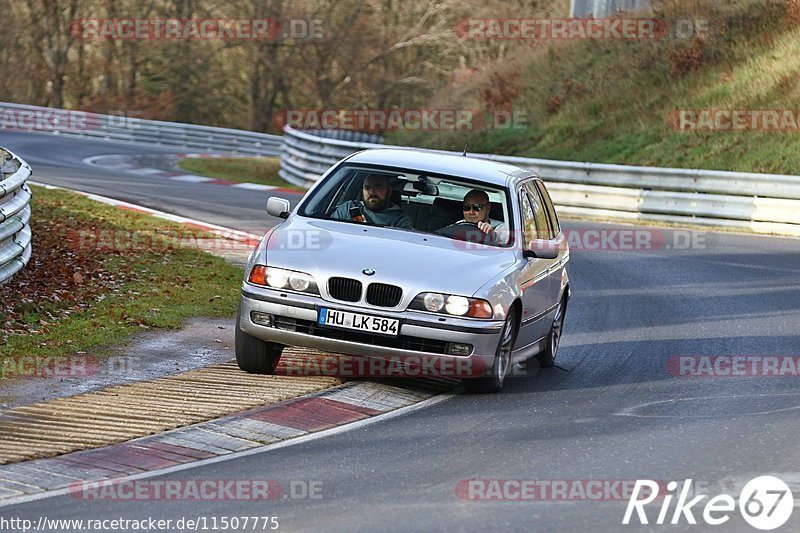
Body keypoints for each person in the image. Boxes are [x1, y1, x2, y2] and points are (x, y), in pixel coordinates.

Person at [330, 173, 413, 228]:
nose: (372, 192)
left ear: (389, 191)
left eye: (378, 187)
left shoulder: (401, 221)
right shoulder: (348, 208)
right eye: (367, 188)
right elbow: (329, 230)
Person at [437, 189, 507, 245]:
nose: (471, 212)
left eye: (477, 207)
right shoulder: (458, 225)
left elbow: (507, 246)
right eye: (467, 207)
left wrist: (492, 235)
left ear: (488, 208)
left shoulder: (503, 227)